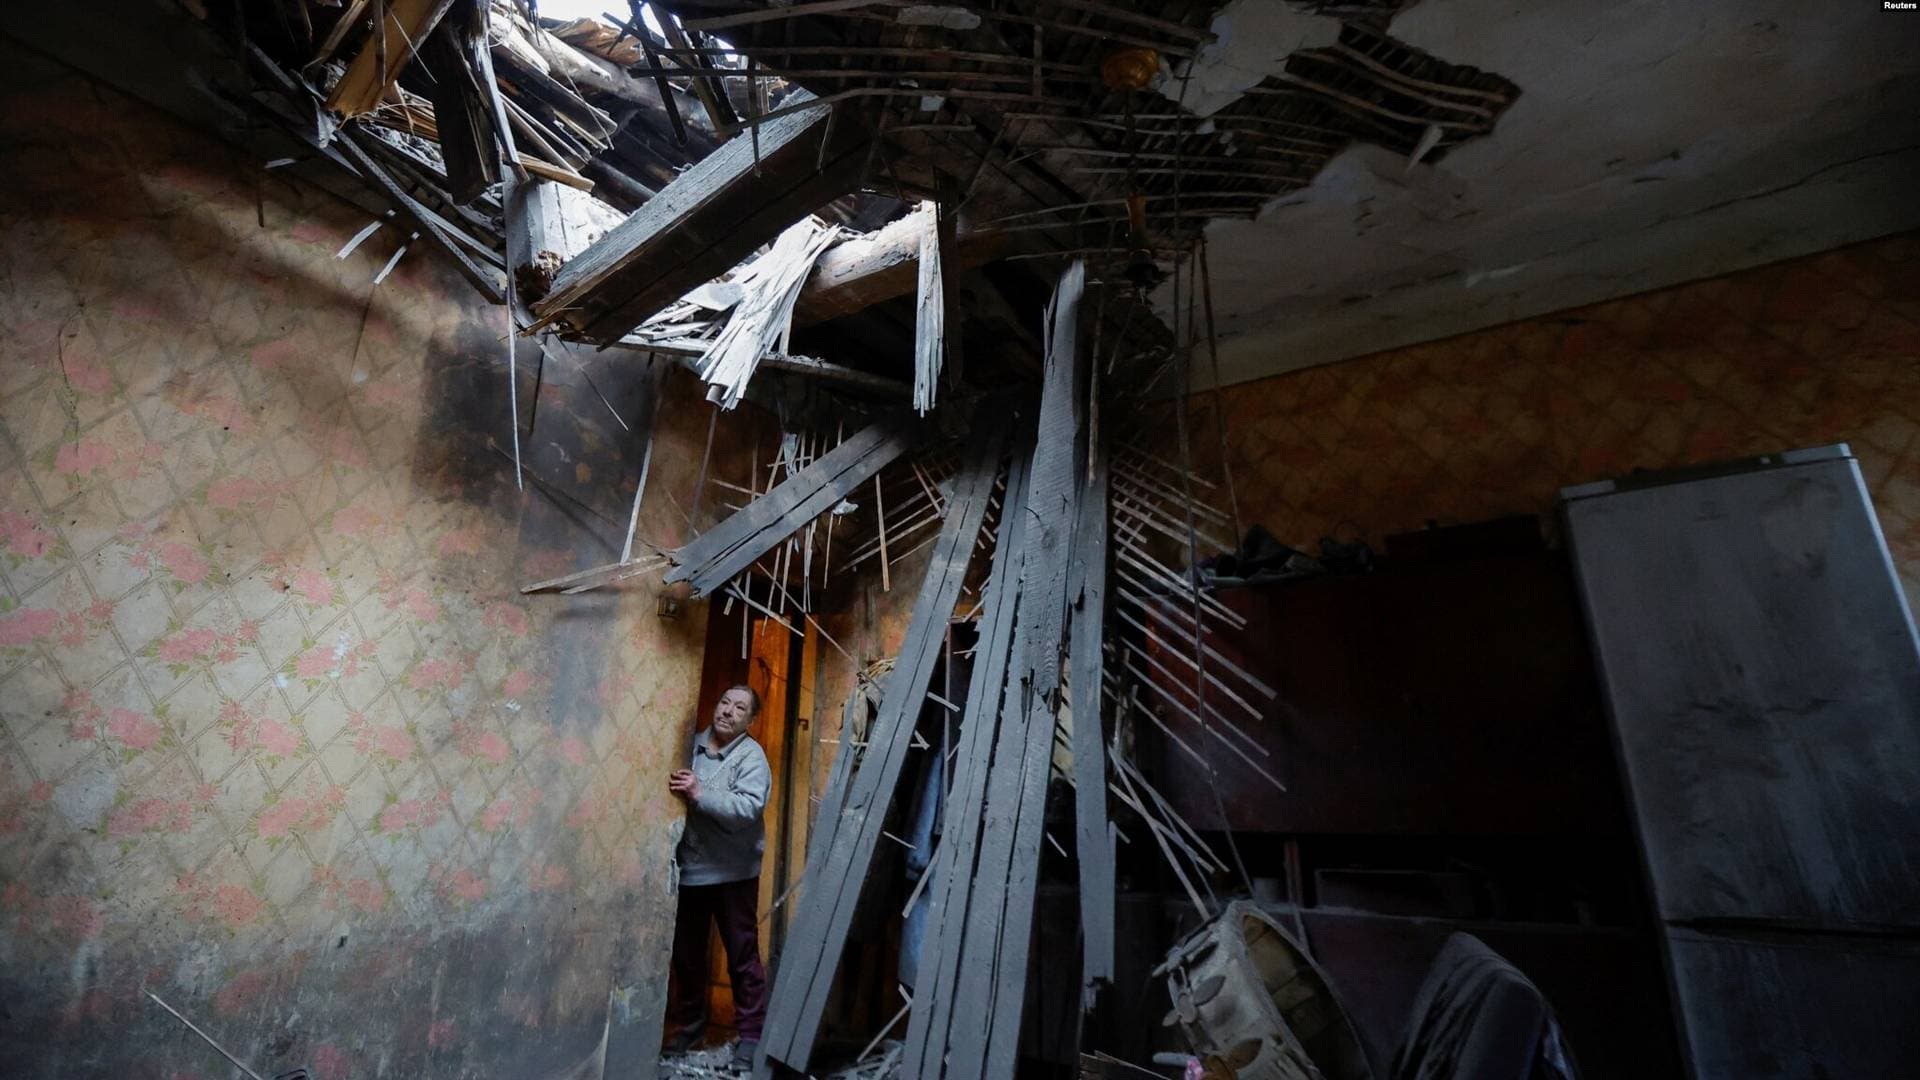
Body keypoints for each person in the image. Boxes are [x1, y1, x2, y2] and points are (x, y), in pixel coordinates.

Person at [665, 684, 772, 1067]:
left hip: (733, 873)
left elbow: (748, 808)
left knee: (742, 955)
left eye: (739, 707)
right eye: (724, 701)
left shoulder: (751, 757)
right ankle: (690, 1026)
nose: (727, 711)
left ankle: (751, 1035)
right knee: (687, 955)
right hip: (691, 870)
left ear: (751, 720)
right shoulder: (687, 746)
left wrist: (699, 793)